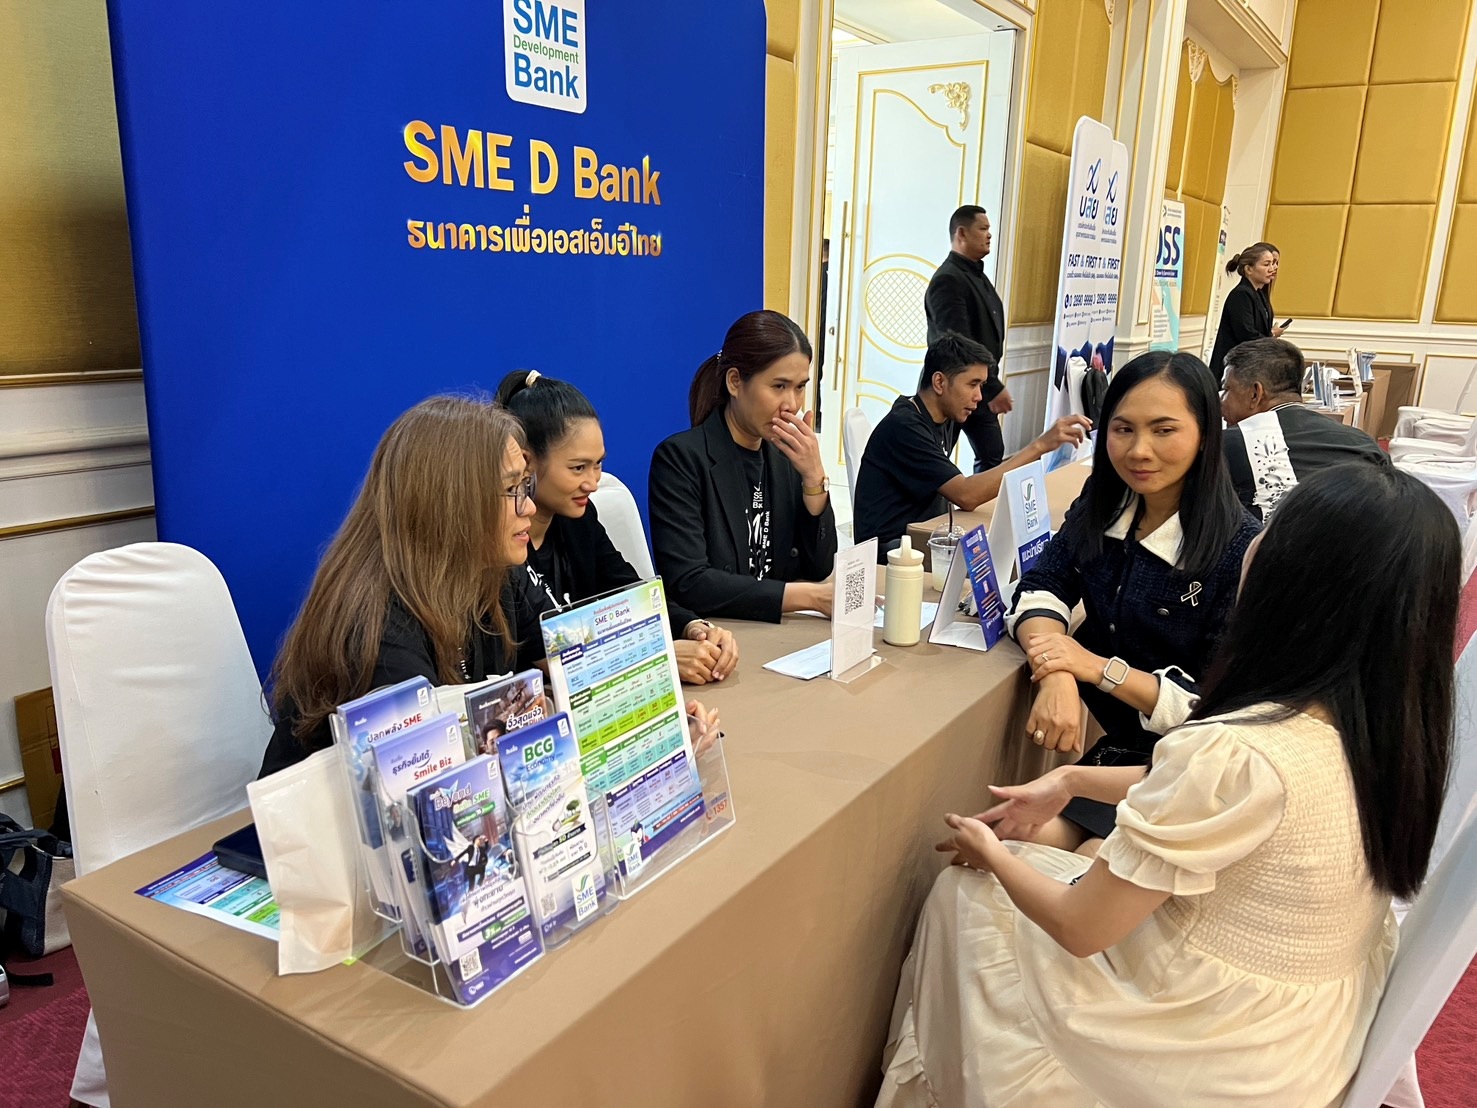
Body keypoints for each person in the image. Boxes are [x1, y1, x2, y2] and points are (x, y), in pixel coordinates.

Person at [876, 463, 1459, 1107]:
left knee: (966, 896)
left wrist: (988, 851)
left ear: (1296, 578)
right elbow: (1225, 793)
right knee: (1053, 861)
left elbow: (1081, 926)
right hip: (1303, 1036)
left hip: (1204, 1047)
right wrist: (1071, 778)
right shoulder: (1386, 728)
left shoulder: (1237, 744)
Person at [258, 396, 721, 777]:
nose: (528, 508)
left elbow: (577, 662)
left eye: (526, 486)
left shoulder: (494, 574)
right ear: (451, 504)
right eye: (512, 490)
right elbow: (434, 786)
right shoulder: (379, 627)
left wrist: (653, 724)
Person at [1006, 350, 1260, 844]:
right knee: (1016, 836)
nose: (1139, 450)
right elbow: (1043, 584)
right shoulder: (1103, 503)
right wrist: (1057, 672)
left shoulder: (1240, 550)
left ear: (1206, 434)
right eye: (1123, 429)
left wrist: (1096, 668)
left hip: (1198, 767)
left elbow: (1216, 711)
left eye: (1164, 430)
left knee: (1083, 860)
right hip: (1127, 751)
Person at [497, 368, 740, 685]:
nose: (592, 483)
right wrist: (658, 655)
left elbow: (630, 592)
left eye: (598, 464)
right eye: (578, 468)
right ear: (526, 463)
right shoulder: (502, 546)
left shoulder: (580, 519)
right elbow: (545, 652)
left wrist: (693, 627)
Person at [649, 310, 838, 622]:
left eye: (800, 387)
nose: (792, 404)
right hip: (719, 631)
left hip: (777, 631)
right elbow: (690, 582)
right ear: (735, 382)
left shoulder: (786, 455)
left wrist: (813, 478)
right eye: (779, 386)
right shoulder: (681, 458)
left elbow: (818, 567)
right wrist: (804, 597)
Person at [853, 333, 1092, 561]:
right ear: (939, 382)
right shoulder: (905, 426)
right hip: (893, 552)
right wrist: (1040, 445)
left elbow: (988, 454)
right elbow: (967, 495)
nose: (979, 396)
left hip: (927, 534)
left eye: (982, 385)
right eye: (972, 384)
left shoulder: (946, 414)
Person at [1220, 337, 1386, 520]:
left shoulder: (1228, 444)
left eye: (1227, 389)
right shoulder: (1363, 442)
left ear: (1255, 394)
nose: (1221, 401)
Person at [925, 205, 1011, 471]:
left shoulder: (975, 275)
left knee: (992, 453)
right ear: (961, 233)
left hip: (976, 385)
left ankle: (978, 497)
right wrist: (993, 387)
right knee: (935, 457)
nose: (989, 235)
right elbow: (957, 343)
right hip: (951, 387)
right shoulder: (948, 280)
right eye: (983, 229)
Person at [1208, 240, 1282, 379]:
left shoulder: (1258, 294)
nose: (1272, 269)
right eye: (1266, 264)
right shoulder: (1241, 294)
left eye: (1273, 263)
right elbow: (1246, 334)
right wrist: (1272, 336)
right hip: (1234, 371)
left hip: (1249, 367)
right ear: (1249, 269)